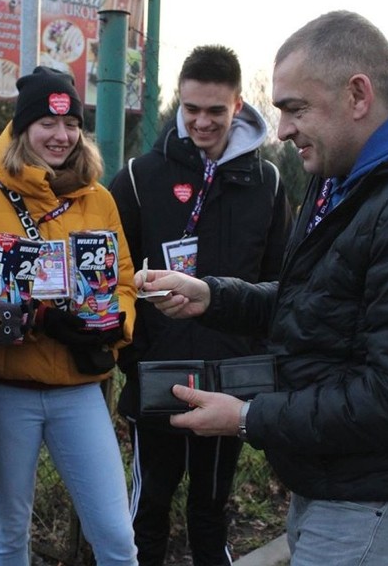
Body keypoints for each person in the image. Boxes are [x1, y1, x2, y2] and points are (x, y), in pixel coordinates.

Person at [136, 10, 388, 565]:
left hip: (375, 499)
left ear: (358, 95)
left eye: (295, 109)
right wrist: (213, 296)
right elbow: (315, 304)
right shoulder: (347, 175)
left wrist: (247, 416)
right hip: (339, 482)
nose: (283, 129)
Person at [107, 44, 293, 566]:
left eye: (215, 110)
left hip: (229, 379)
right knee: (149, 509)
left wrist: (254, 355)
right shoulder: (142, 176)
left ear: (238, 104)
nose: (202, 122)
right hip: (159, 375)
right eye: (191, 110)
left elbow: (281, 282)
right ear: (179, 104)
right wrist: (134, 357)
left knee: (211, 511)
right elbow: (112, 270)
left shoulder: (269, 182)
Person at [0, 66, 138, 566]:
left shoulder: (98, 197)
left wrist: (112, 324)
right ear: (21, 127)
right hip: (5, 390)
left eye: (71, 125)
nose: (61, 137)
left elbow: (122, 282)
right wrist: (35, 319)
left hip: (78, 388)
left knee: (117, 535)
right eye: (48, 124)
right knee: (9, 529)